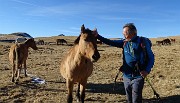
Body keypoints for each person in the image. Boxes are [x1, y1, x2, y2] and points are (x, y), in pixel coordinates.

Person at [94, 23, 154, 103]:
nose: (123, 34)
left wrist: (147, 70)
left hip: (138, 76)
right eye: (123, 33)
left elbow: (151, 58)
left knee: (136, 99)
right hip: (126, 76)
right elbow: (110, 42)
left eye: (125, 32)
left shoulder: (143, 42)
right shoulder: (124, 43)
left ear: (133, 32)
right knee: (129, 99)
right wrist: (97, 36)